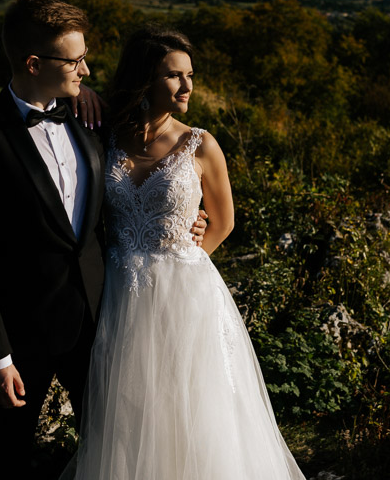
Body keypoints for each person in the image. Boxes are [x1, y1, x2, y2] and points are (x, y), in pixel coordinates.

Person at [0, 0, 204, 476]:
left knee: (117, 447)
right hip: (22, 335)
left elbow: (134, 193)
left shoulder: (92, 122)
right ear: (34, 63)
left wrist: (188, 220)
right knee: (10, 455)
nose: (86, 69)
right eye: (76, 60)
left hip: (104, 321)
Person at [66, 24, 306, 479]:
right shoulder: (107, 136)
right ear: (145, 79)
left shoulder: (201, 143)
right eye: (175, 76)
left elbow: (224, 220)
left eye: (190, 74)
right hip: (118, 291)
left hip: (186, 294)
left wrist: (185, 255)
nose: (188, 86)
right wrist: (85, 93)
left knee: (193, 402)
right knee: (131, 408)